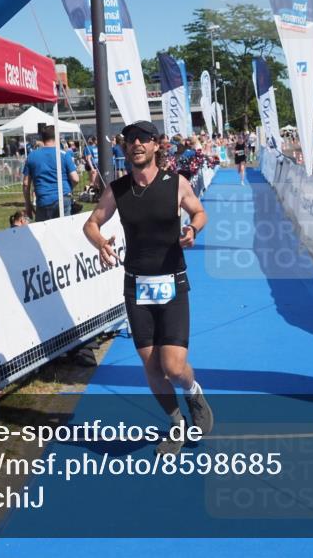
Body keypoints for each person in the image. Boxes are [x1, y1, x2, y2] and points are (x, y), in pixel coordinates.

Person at [82, 120, 213, 456]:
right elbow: (92, 223)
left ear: (157, 145)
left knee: (173, 366)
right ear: (125, 147)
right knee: (151, 366)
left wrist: (193, 230)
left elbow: (199, 212)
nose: (136, 144)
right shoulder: (118, 189)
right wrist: (100, 242)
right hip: (136, 285)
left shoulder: (175, 183)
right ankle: (177, 424)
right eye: (130, 140)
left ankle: (193, 390)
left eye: (144, 139)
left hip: (172, 281)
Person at [23, 126, 79, 222]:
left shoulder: (32, 156)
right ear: (56, 137)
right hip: (63, 197)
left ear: (42, 138)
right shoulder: (64, 154)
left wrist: (28, 204)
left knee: (44, 234)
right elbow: (75, 179)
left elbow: (25, 183)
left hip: (43, 200)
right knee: (64, 231)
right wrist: (68, 189)